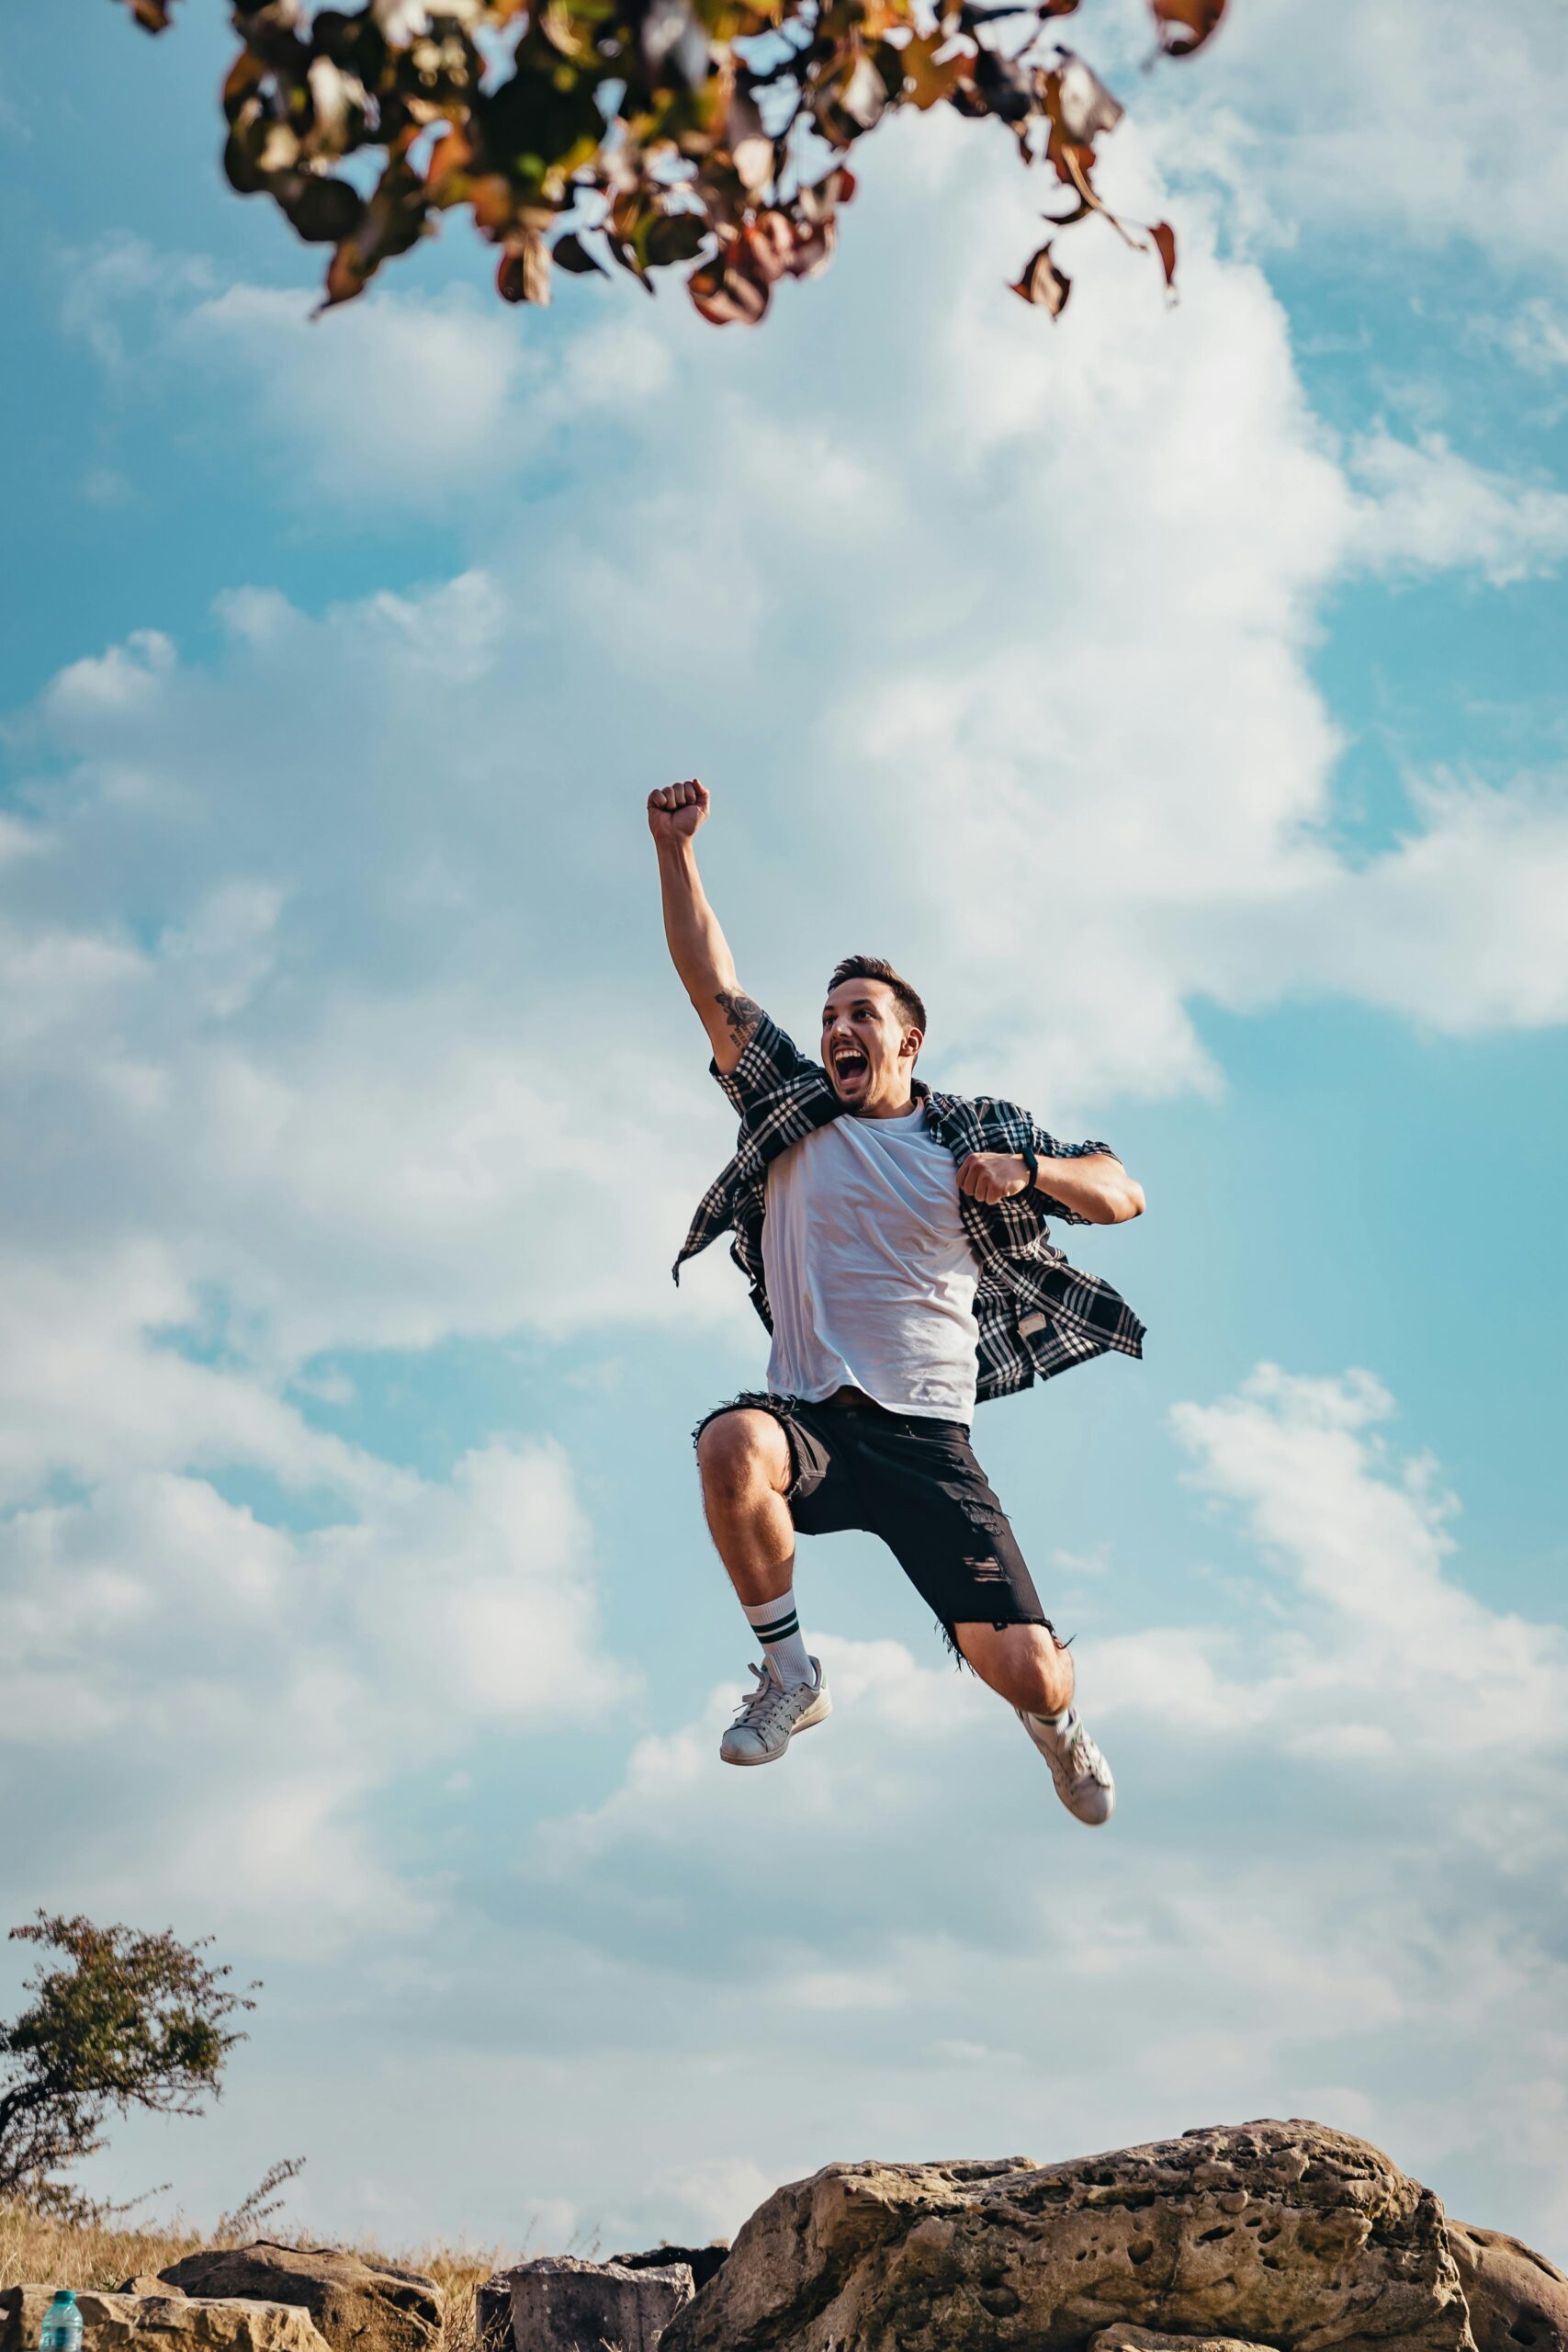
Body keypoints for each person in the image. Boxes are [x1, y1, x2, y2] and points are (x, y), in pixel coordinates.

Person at [651, 777, 1146, 1826]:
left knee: (1033, 1671)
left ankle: (1056, 1727)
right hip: (812, 1422)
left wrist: (1030, 1170)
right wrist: (676, 851)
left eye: (860, 1015)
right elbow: (711, 984)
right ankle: (792, 1675)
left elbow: (1122, 1189)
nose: (837, 1027)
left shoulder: (967, 1130)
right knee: (732, 1445)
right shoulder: (790, 1103)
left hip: (928, 1443)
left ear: (907, 1043)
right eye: (829, 1014)